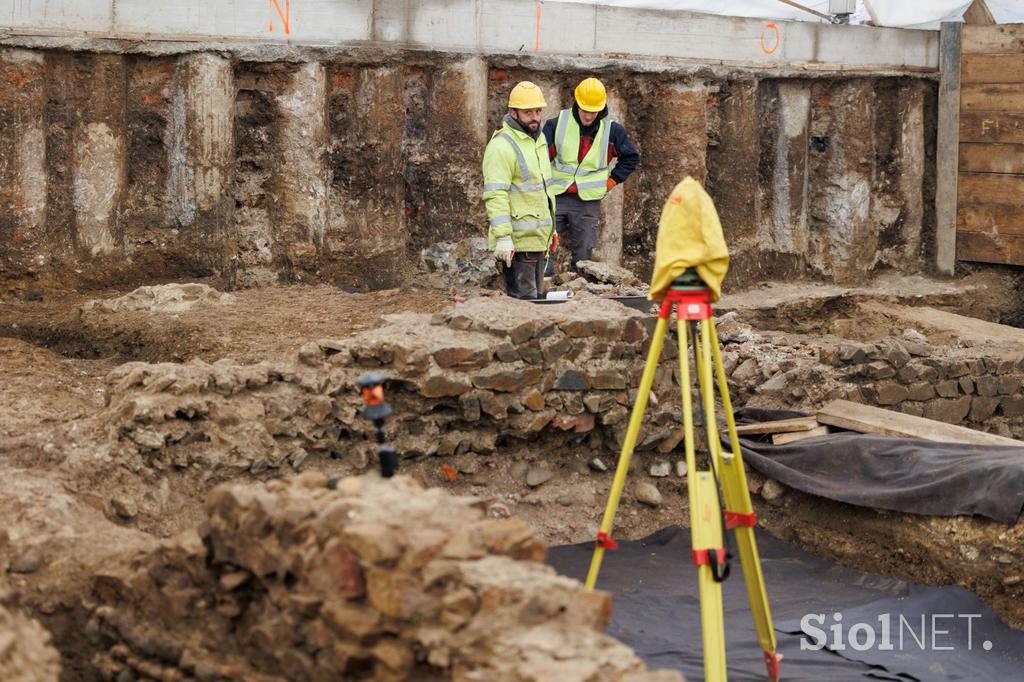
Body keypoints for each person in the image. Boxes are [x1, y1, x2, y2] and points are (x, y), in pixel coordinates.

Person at [542, 77, 640, 275]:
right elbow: (540, 157)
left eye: (593, 111)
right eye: (585, 110)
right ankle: (543, 284)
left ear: (601, 108)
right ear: (577, 103)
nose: (589, 116)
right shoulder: (557, 124)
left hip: (588, 200)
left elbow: (631, 158)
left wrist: (611, 182)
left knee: (584, 252)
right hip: (556, 195)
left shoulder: (612, 131)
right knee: (543, 242)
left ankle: (579, 289)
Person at [481, 81, 559, 300]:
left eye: (537, 111)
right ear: (513, 113)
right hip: (517, 244)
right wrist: (504, 237)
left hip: (538, 240)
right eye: (527, 112)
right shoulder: (501, 146)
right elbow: (496, 194)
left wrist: (551, 229)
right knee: (524, 305)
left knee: (538, 302)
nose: (534, 117)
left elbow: (542, 190)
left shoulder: (538, 140)